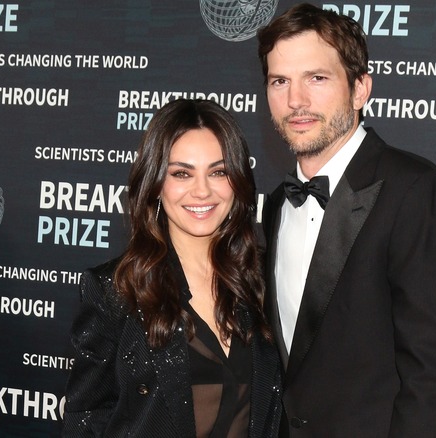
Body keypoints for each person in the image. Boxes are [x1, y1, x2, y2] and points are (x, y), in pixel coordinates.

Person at [257, 4, 436, 437]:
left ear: (360, 89)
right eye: (280, 81)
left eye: (317, 78)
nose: (295, 100)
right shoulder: (278, 204)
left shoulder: (416, 192)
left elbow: (434, 381)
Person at [62, 99, 282, 437]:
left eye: (218, 172)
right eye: (181, 173)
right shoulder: (117, 290)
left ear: (237, 181)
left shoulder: (264, 280)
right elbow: (86, 419)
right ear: (155, 184)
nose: (202, 190)